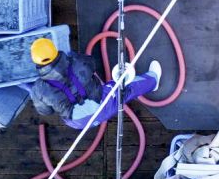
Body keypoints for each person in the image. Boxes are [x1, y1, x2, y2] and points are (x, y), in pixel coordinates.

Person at [29, 37, 162, 130]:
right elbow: (92, 64)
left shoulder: (37, 89)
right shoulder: (77, 60)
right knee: (125, 89)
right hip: (100, 105)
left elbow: (46, 111)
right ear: (55, 51)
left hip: (76, 122)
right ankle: (154, 80)